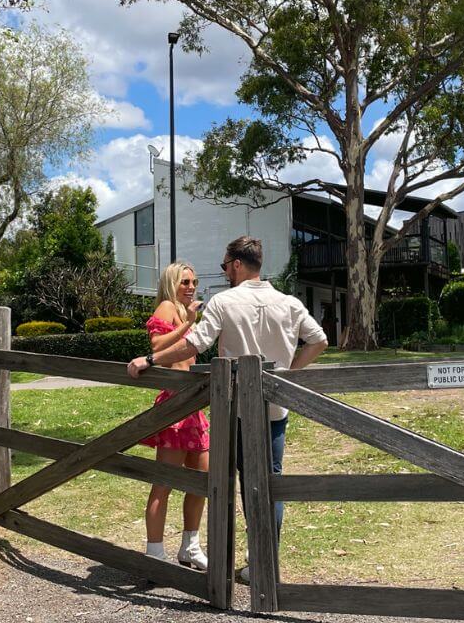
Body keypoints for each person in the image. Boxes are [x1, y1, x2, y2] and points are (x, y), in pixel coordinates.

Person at [127, 236, 328, 583]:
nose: (222, 273)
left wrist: (150, 359)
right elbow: (319, 340)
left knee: (222, 482)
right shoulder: (289, 302)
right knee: (268, 484)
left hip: (233, 410)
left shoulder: (225, 302)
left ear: (236, 264)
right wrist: (287, 376)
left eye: (223, 266)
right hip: (274, 410)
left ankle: (219, 564)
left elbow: (195, 344)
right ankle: (263, 563)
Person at [139, 261, 210, 569]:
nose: (191, 286)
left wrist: (190, 321)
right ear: (171, 283)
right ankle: (155, 553)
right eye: (184, 282)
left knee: (201, 480)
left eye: (193, 281)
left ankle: (190, 547)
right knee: (164, 483)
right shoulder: (168, 307)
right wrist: (187, 324)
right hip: (175, 406)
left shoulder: (182, 312)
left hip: (193, 405)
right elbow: (155, 345)